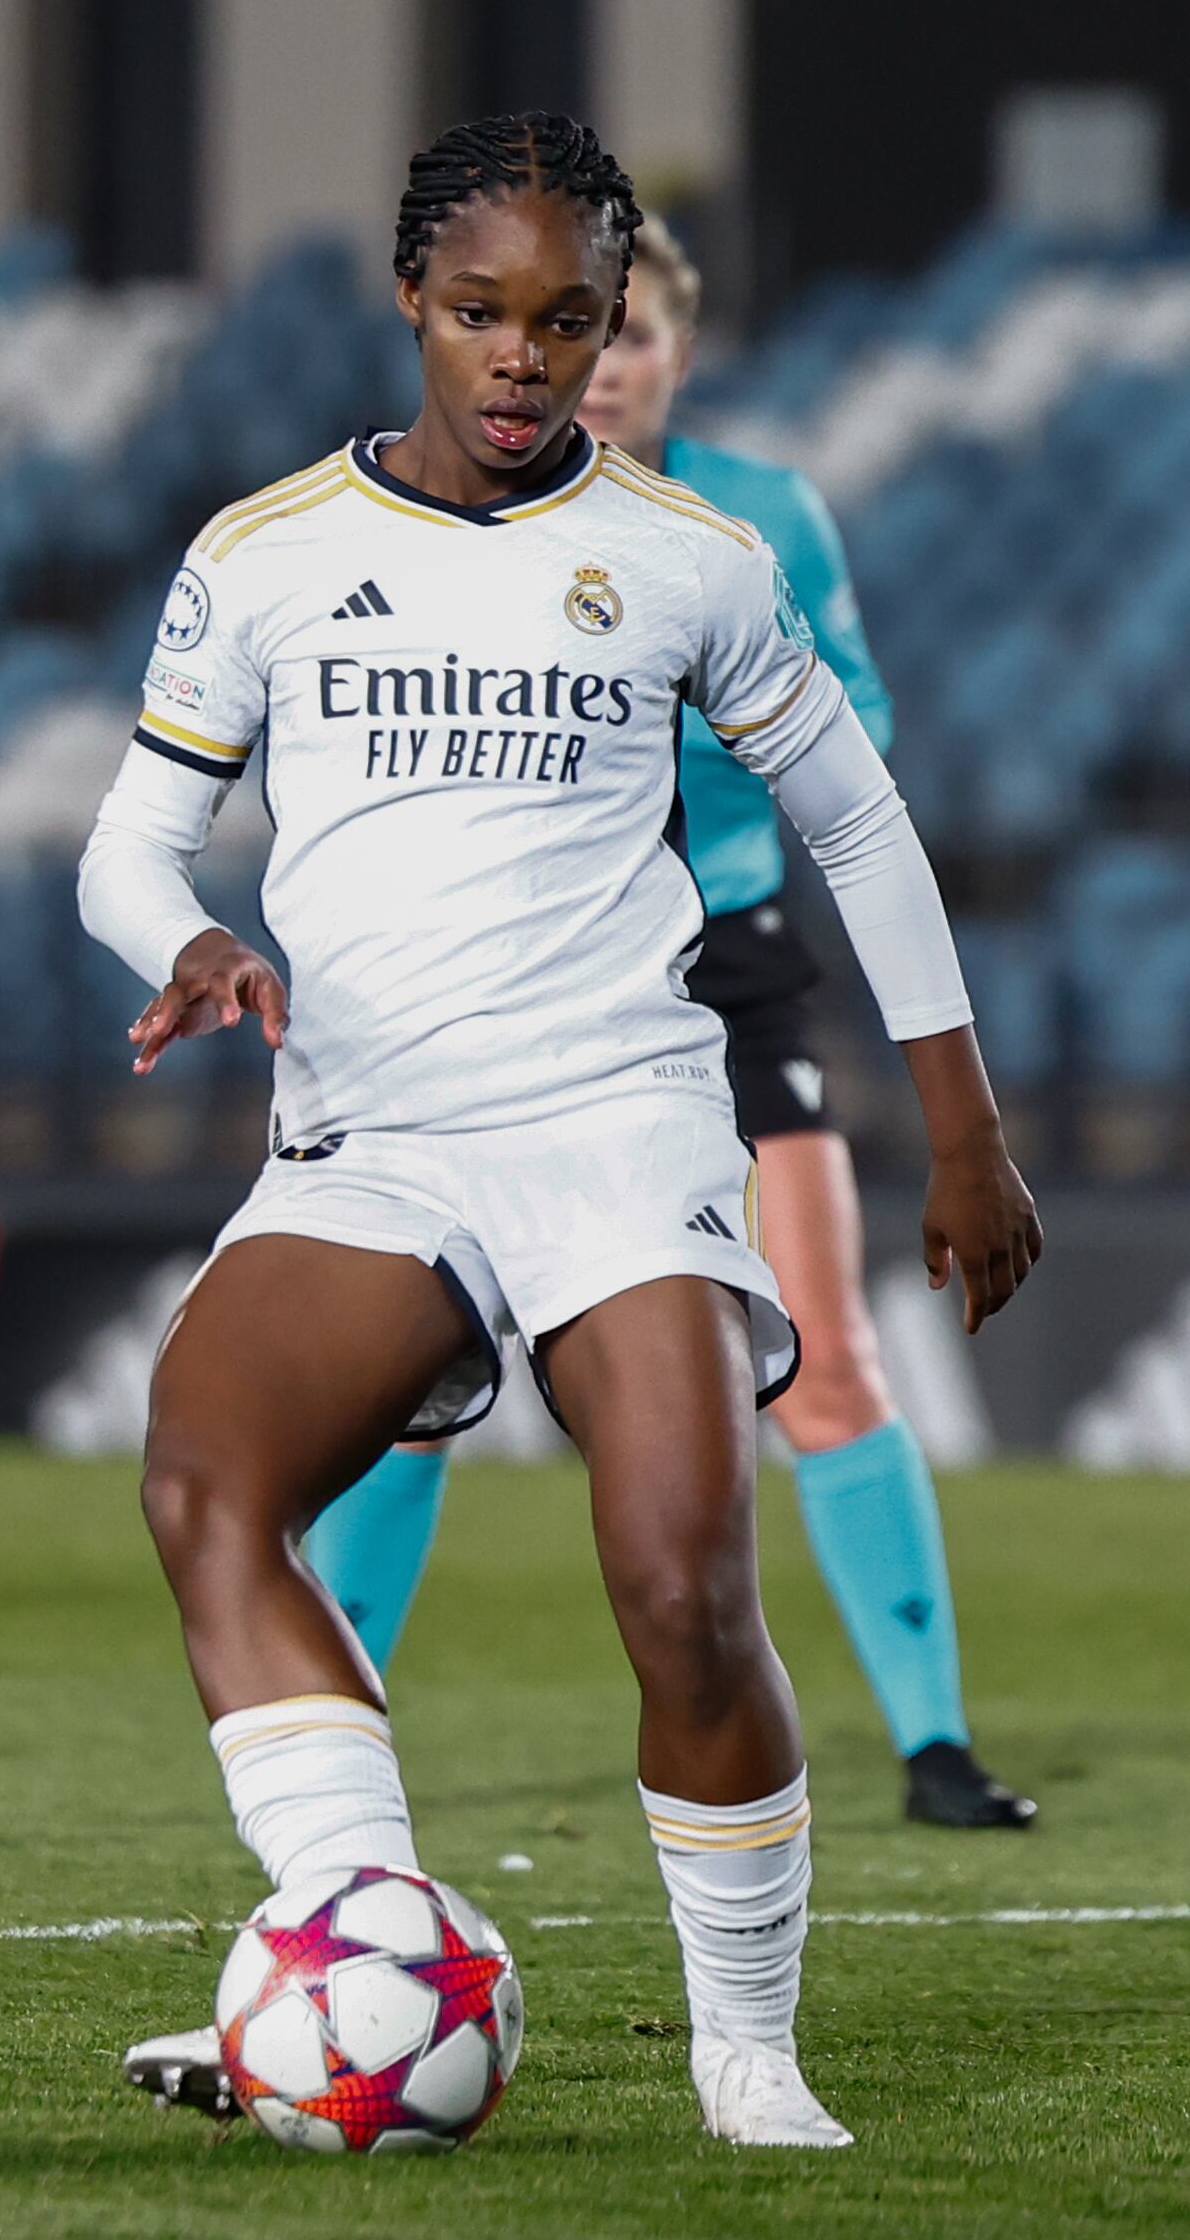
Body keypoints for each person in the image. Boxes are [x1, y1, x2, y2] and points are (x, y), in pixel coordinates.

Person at [86, 113, 1037, 2151]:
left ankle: (747, 2047)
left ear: (615, 322)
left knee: (683, 1580)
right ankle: (354, 1931)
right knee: (201, 1478)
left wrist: (961, 1125)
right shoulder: (263, 555)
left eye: (568, 318)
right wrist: (185, 931)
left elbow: (856, 817)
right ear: (412, 305)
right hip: (371, 1134)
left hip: (615, 1117)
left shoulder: (691, 557)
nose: (526, 357)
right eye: (481, 313)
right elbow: (132, 833)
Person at [292, 219, 1035, 1832]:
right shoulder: (440, 523)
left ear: (673, 355)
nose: (597, 364)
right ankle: (331, 1738)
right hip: (495, 965)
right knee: (413, 1373)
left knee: (822, 1349)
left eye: (624, 337)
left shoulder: (748, 525)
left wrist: (690, 708)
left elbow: (860, 732)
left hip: (722, 949)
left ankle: (934, 1743)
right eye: (572, 332)